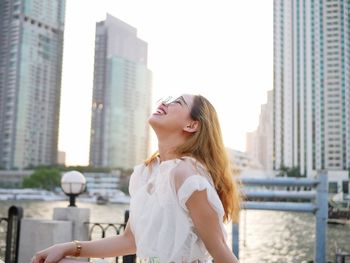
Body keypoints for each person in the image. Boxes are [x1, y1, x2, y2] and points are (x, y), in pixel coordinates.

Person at [31, 94, 241, 263]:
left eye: (177, 102)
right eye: (166, 99)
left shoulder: (187, 174)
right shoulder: (146, 172)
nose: (164, 103)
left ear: (191, 125)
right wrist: (70, 247)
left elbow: (220, 249)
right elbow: (130, 240)